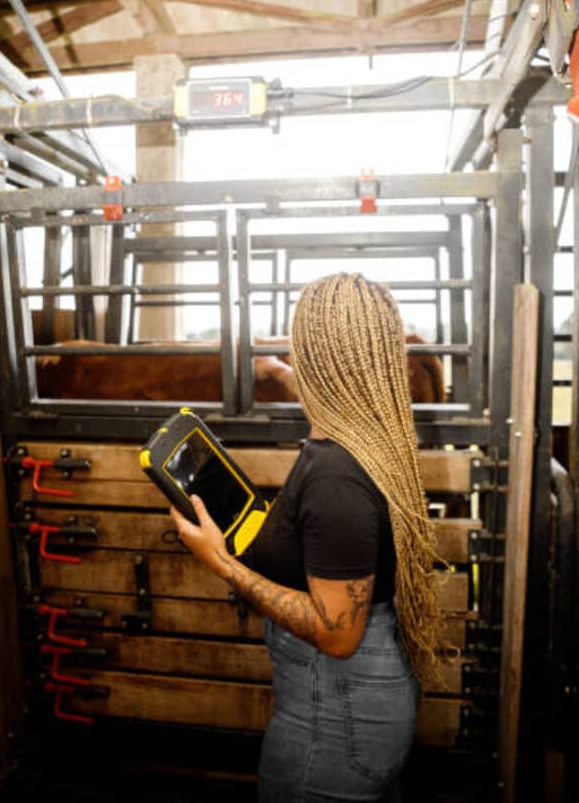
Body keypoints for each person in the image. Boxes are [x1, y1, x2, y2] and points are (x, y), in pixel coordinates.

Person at [170, 272, 443, 802]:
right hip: (360, 705)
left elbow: (337, 634)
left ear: (313, 356)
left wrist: (221, 562)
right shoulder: (370, 437)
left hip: (334, 722)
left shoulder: (336, 473)